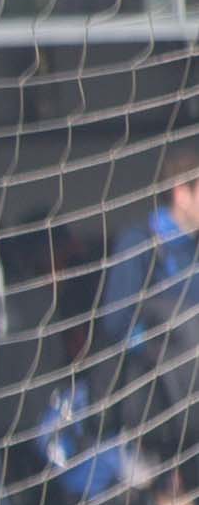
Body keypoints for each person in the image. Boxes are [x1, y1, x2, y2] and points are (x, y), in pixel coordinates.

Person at [94, 144, 198, 368]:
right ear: (182, 193)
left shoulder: (192, 247)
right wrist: (162, 350)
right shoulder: (139, 242)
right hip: (154, 379)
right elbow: (116, 323)